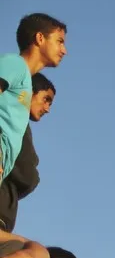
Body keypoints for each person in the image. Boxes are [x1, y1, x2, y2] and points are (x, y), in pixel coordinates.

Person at [0, 13, 66, 181]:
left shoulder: (26, 83)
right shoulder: (15, 64)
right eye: (59, 41)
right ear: (40, 38)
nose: (64, 50)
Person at [0, 72, 55, 233]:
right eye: (46, 99)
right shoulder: (17, 123)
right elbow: (27, 176)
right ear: (29, 91)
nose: (47, 109)